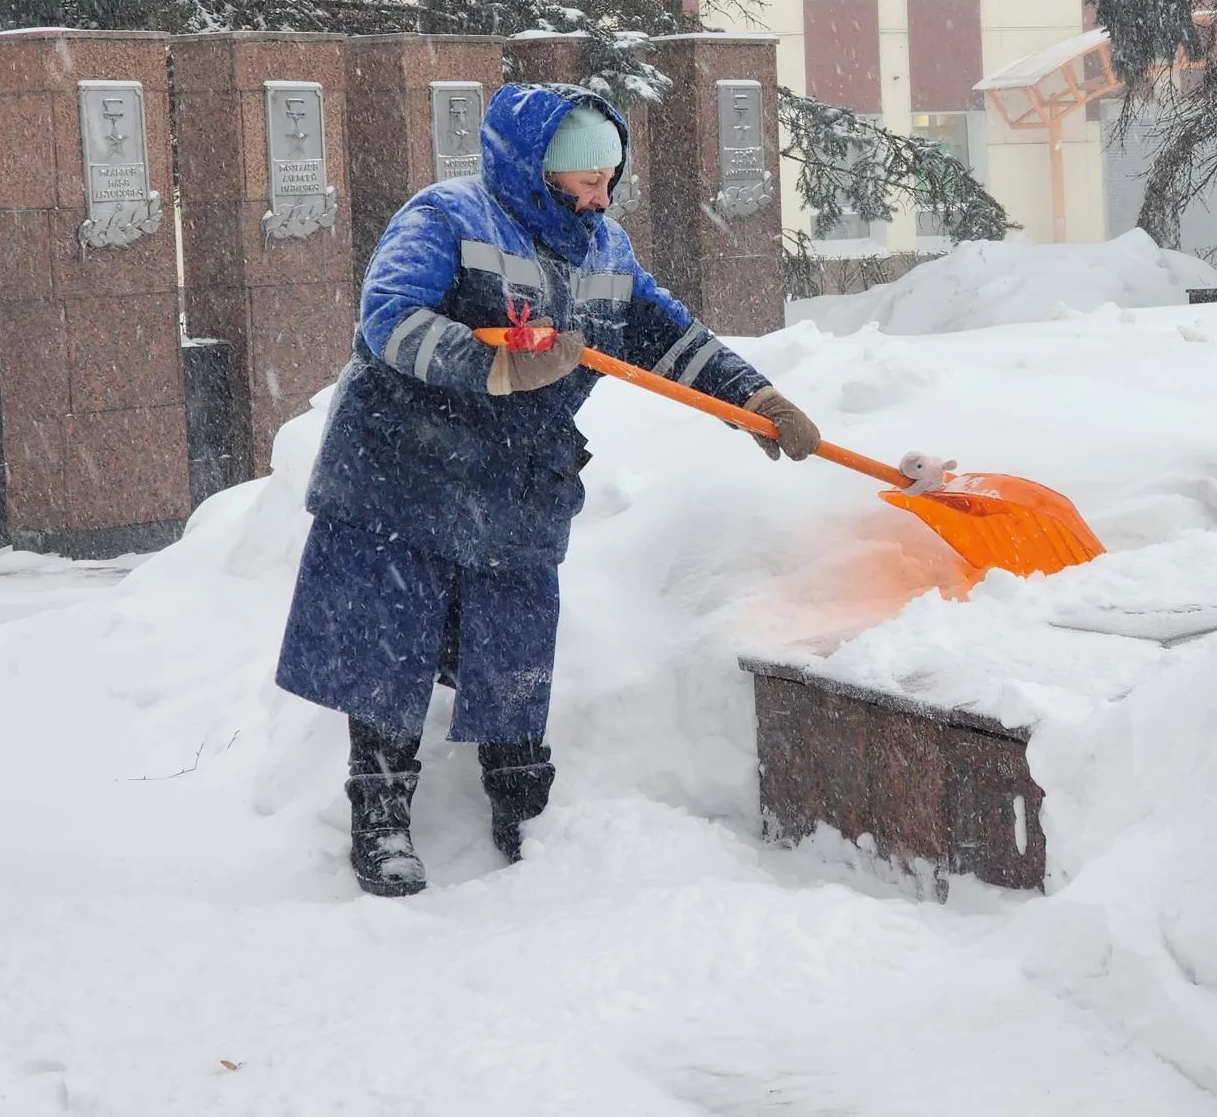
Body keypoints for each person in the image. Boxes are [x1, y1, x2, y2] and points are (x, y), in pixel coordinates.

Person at [275, 82, 821, 897]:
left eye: (610, 177)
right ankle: (381, 818)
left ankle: (526, 807)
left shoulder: (605, 251)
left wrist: (756, 401)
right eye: (586, 181)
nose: (603, 195)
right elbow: (389, 320)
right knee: (391, 644)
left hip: (518, 475)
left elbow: (666, 334)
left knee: (514, 646)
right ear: (535, 171)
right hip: (406, 467)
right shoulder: (445, 217)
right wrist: (492, 362)